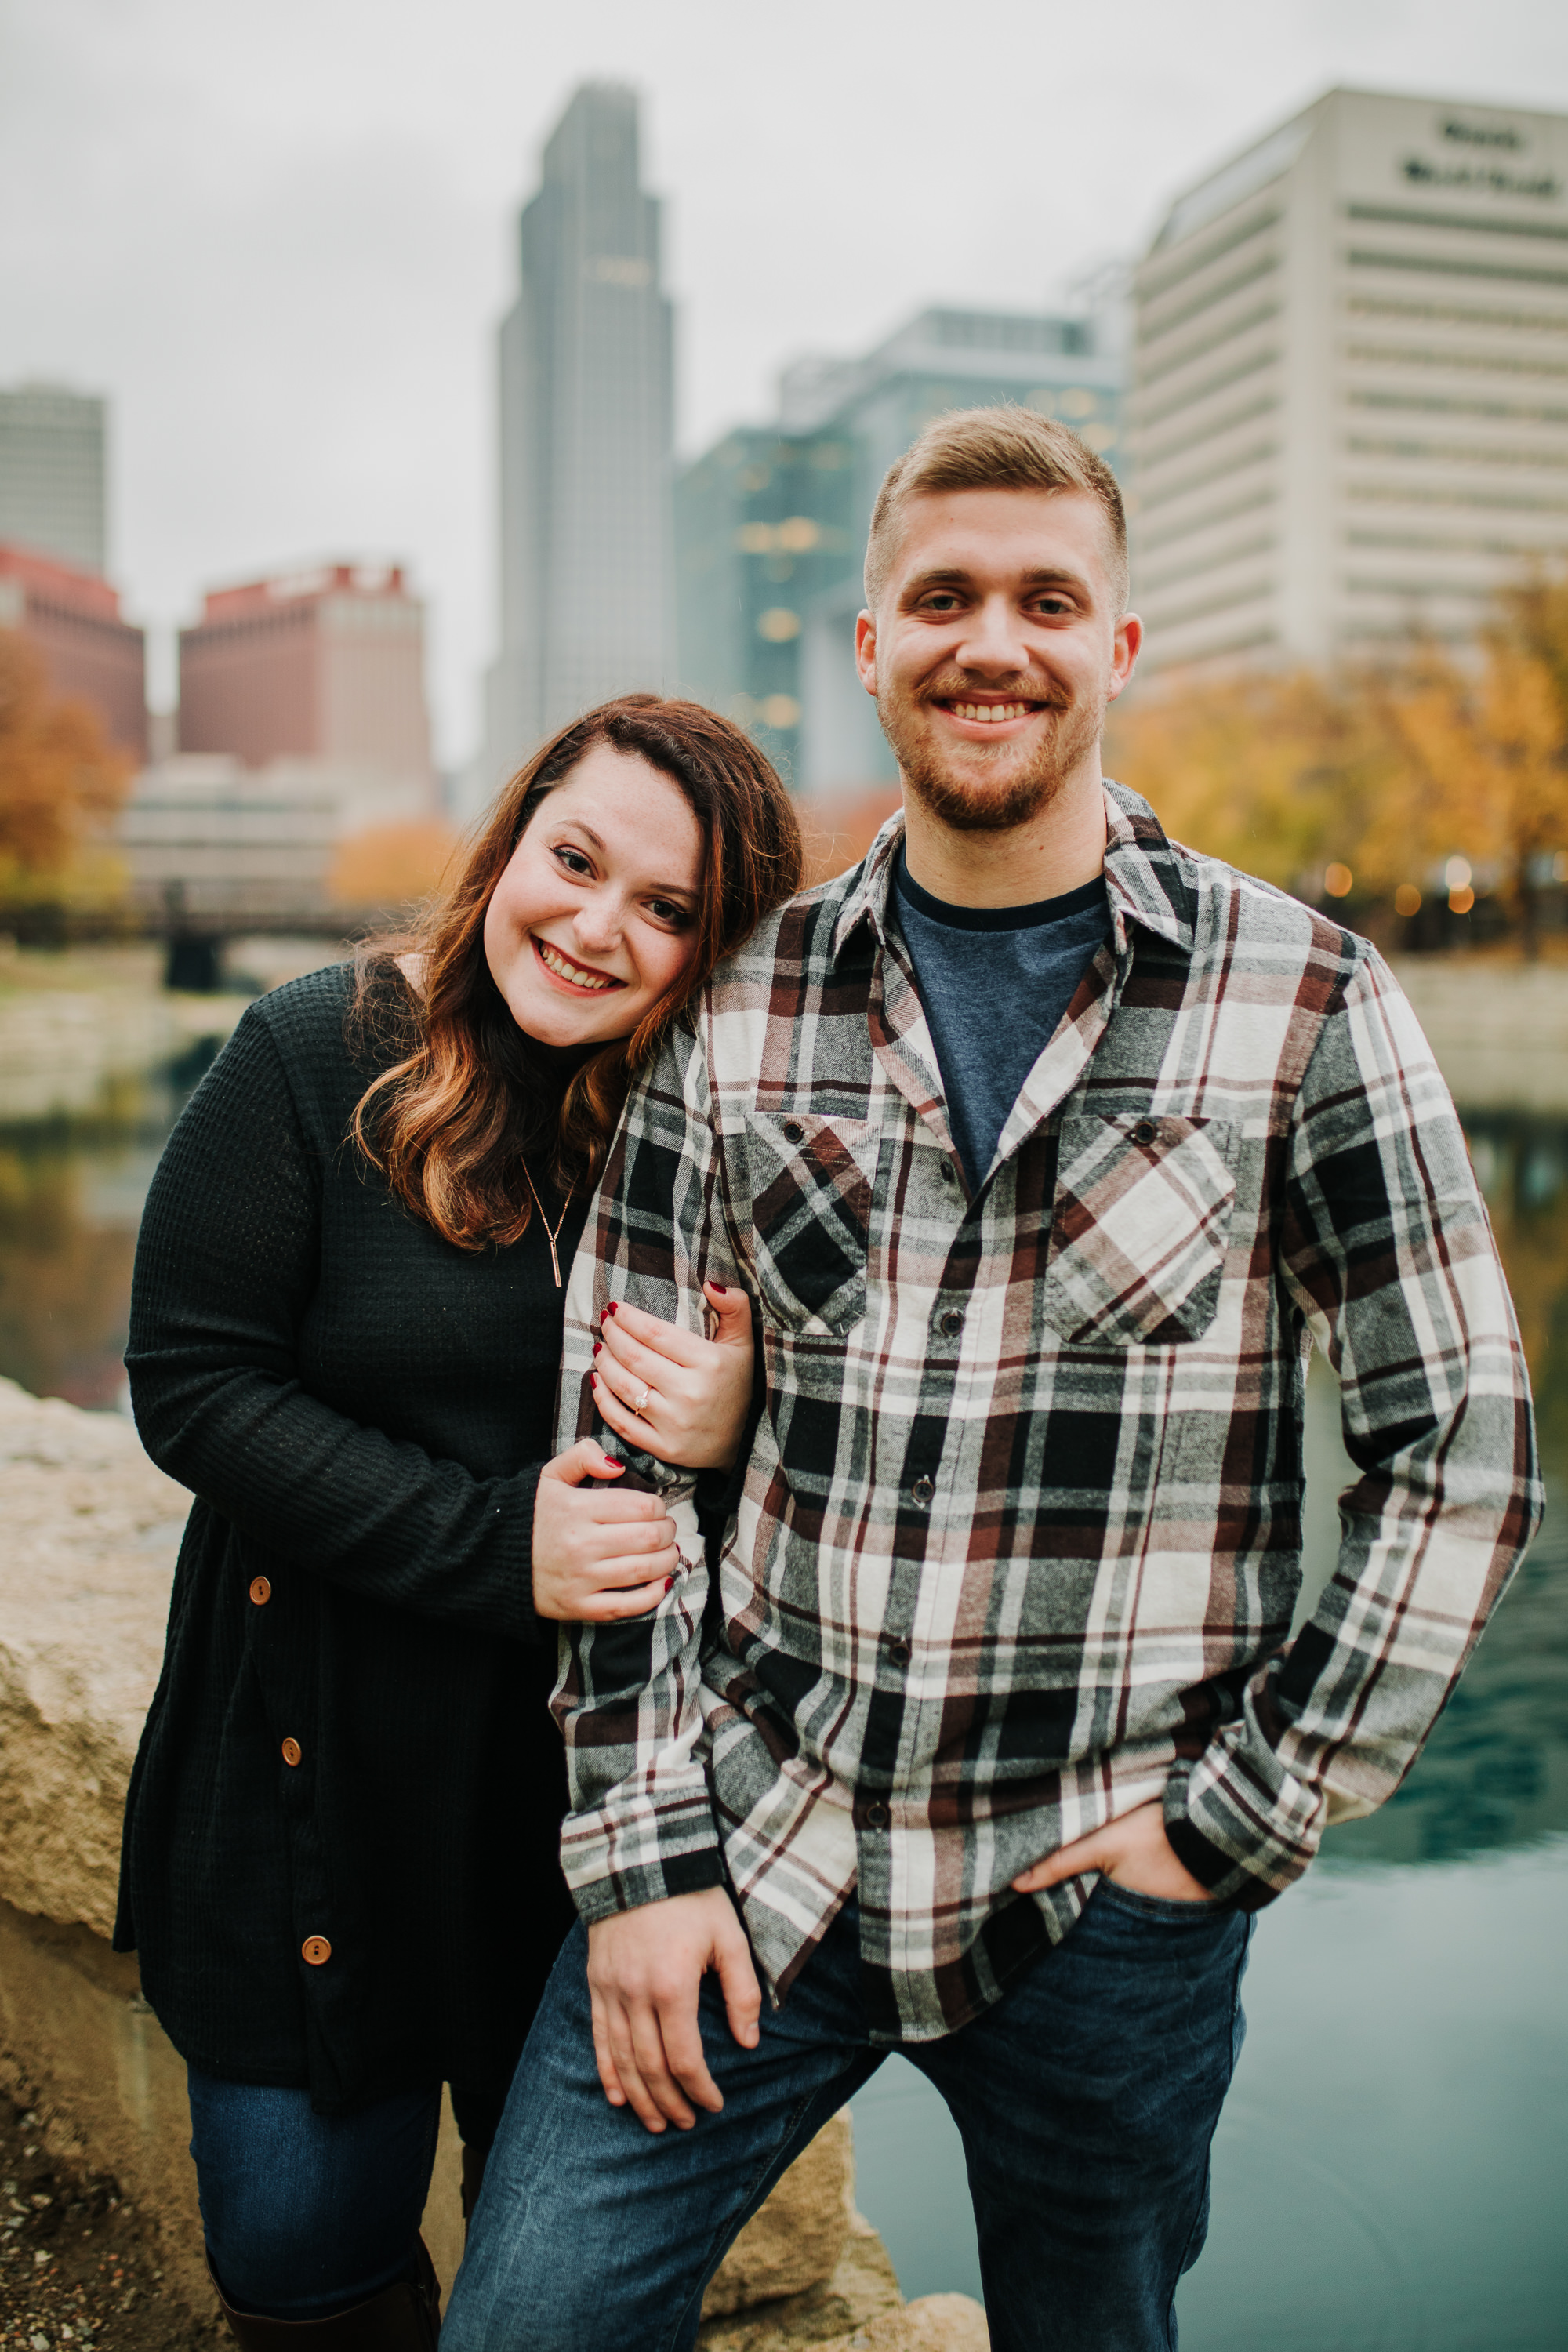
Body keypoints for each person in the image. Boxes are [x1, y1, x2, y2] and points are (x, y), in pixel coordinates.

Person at [445, 411, 1542, 2352]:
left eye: (1048, 600)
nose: (992, 643)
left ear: (1118, 652)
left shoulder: (1301, 1000)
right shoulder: (743, 1007)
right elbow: (617, 1467)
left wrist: (1244, 1818)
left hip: (1104, 1904)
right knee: (528, 2323)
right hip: (754, 1853)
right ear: (865, 645)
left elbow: (1454, 1445)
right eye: (941, 597)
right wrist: (632, 1863)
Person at [114, 695, 803, 2346]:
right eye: (573, 861)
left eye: (666, 912)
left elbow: (865, 1450)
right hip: (308, 1777)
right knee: (298, 2263)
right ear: (512, 841)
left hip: (580, 1818)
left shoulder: (723, 1129)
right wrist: (496, 1545)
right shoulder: (315, 1048)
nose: (594, 927)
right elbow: (190, 1383)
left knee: (557, 2285)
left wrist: (739, 1417)